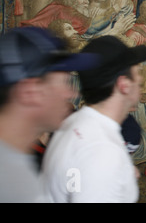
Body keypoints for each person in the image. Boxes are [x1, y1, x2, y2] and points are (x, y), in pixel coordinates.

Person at [41, 35, 146, 202]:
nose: (141, 79)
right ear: (124, 85)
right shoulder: (102, 151)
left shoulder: (73, 124)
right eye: (137, 73)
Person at [0, 27, 99, 202]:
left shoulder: (20, 166)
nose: (72, 94)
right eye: (65, 82)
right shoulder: (9, 182)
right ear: (30, 92)